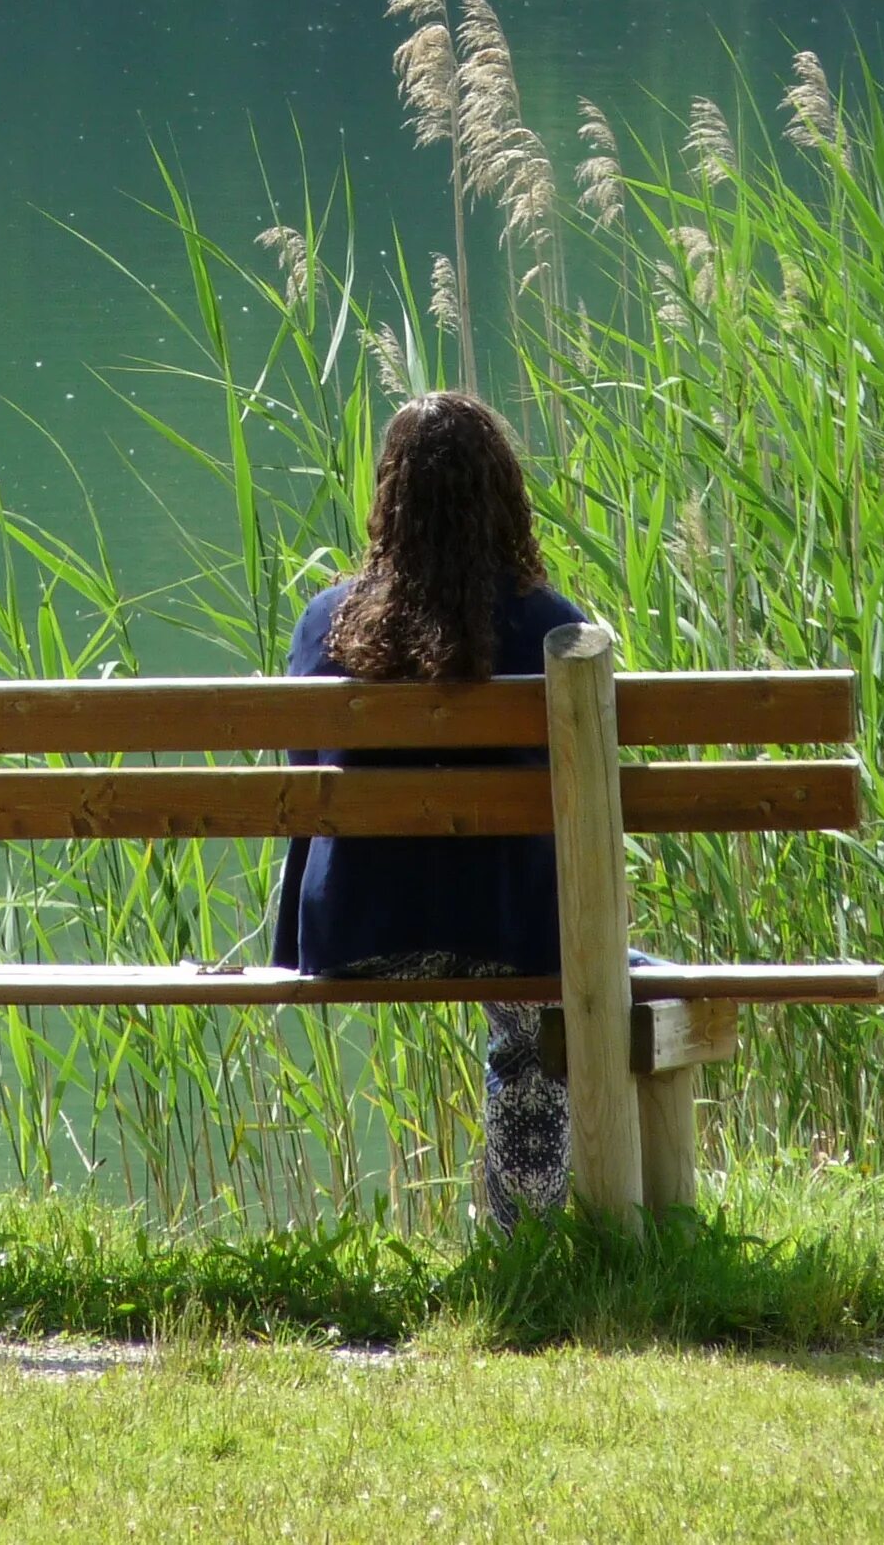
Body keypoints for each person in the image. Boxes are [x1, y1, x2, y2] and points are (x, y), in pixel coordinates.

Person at [268, 389, 592, 1226]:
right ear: (504, 498)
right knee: (533, 1028)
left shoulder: (326, 623)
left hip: (358, 938)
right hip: (511, 943)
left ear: (388, 501)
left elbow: (309, 783)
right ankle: (527, 1238)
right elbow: (588, 794)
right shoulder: (552, 629)